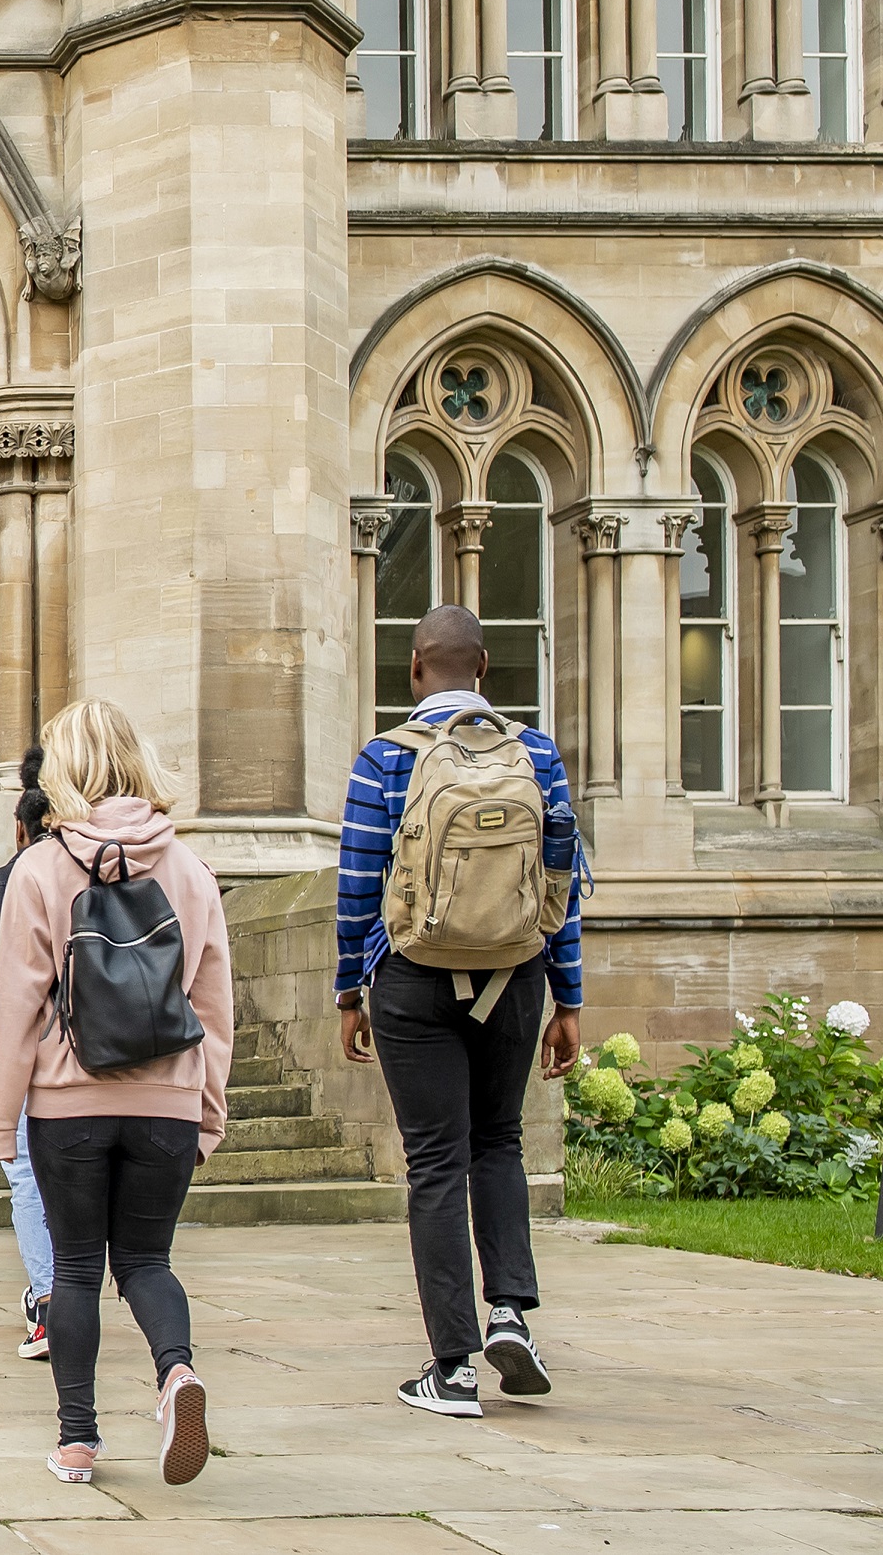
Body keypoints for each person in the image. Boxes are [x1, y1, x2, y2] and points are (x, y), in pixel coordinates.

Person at [338, 604, 587, 1419]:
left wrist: (349, 990)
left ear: (413, 669)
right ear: (482, 670)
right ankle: (509, 1312)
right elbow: (562, 884)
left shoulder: (381, 760)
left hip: (411, 976)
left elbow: (355, 887)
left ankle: (449, 1369)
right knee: (498, 1143)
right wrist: (568, 997)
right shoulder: (536, 754)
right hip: (514, 974)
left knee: (434, 1161)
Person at [0, 699, 232, 1489]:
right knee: (149, 1262)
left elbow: (17, 1007)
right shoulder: (189, 869)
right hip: (166, 1099)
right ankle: (175, 1375)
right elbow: (215, 1005)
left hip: (68, 1103)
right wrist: (208, 1110)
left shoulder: (41, 868)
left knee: (78, 1269)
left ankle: (78, 1442)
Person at [0, 746, 57, 1364]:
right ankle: (173, 1359)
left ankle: (48, 1302)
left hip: (18, 1051)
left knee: (25, 1174)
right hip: (91, 1054)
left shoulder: (6, 884)